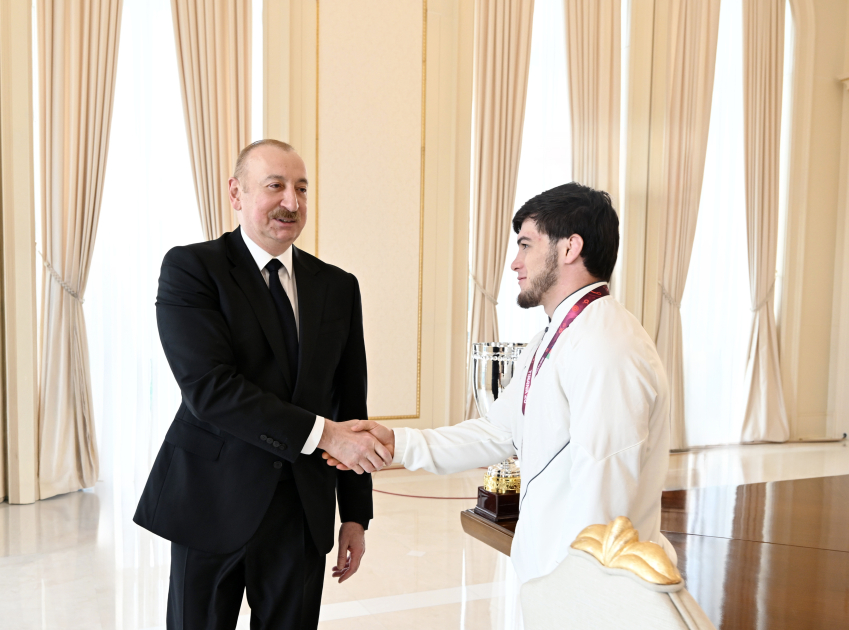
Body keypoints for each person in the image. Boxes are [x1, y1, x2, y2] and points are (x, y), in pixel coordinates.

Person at [325, 182, 674, 584]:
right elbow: (498, 432)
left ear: (569, 248)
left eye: (526, 245)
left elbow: (604, 503)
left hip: (581, 591)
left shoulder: (608, 349)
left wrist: (571, 598)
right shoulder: (553, 336)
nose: (515, 262)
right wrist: (397, 444)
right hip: (549, 580)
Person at [134, 139, 392, 630]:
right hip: (211, 501)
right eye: (275, 186)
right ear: (236, 192)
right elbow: (211, 389)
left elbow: (349, 403)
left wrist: (356, 515)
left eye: (301, 188)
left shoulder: (338, 286)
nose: (291, 202)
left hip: (302, 510)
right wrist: (324, 435)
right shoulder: (192, 269)